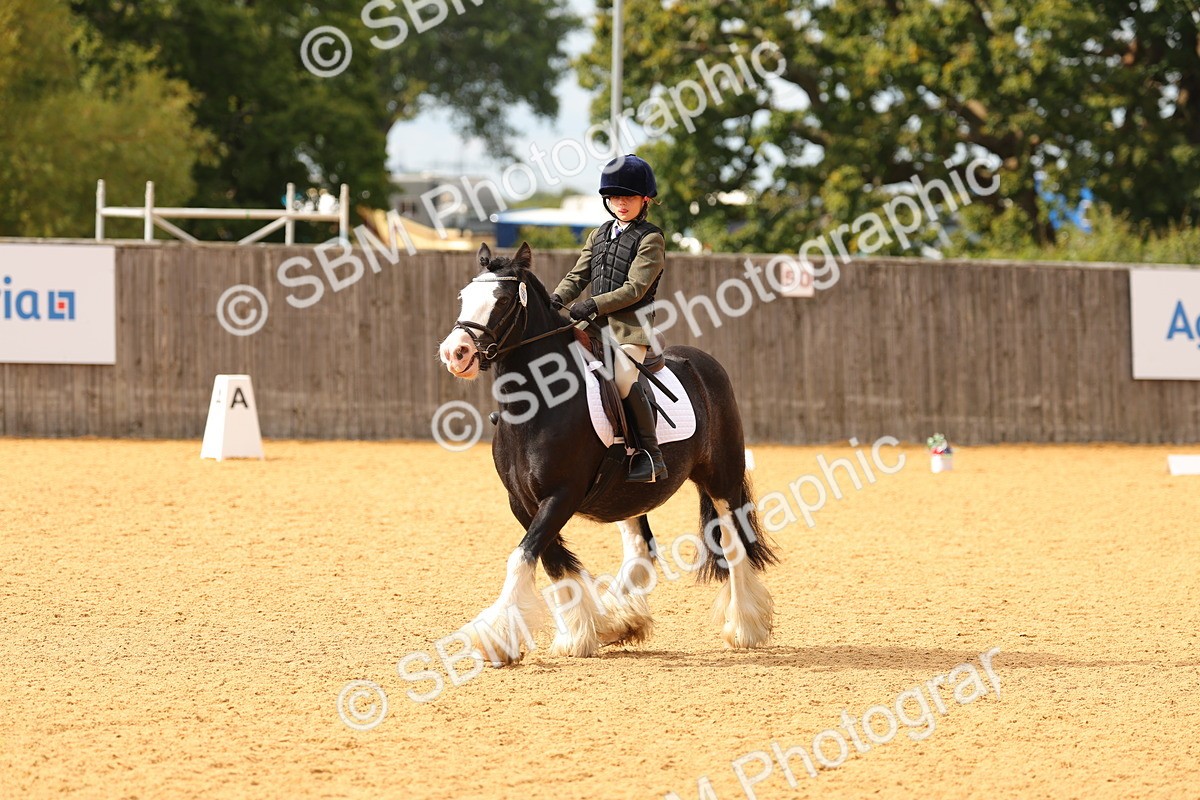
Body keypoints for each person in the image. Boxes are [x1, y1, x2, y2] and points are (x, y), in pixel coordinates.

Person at [551, 154, 668, 483]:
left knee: (621, 378)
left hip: (629, 329)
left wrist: (592, 305)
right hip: (592, 326)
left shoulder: (651, 238)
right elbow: (577, 276)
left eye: (628, 197)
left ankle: (650, 454)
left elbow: (635, 288)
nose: (621, 203)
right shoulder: (598, 235)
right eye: (615, 197)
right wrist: (556, 298)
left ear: (645, 199)